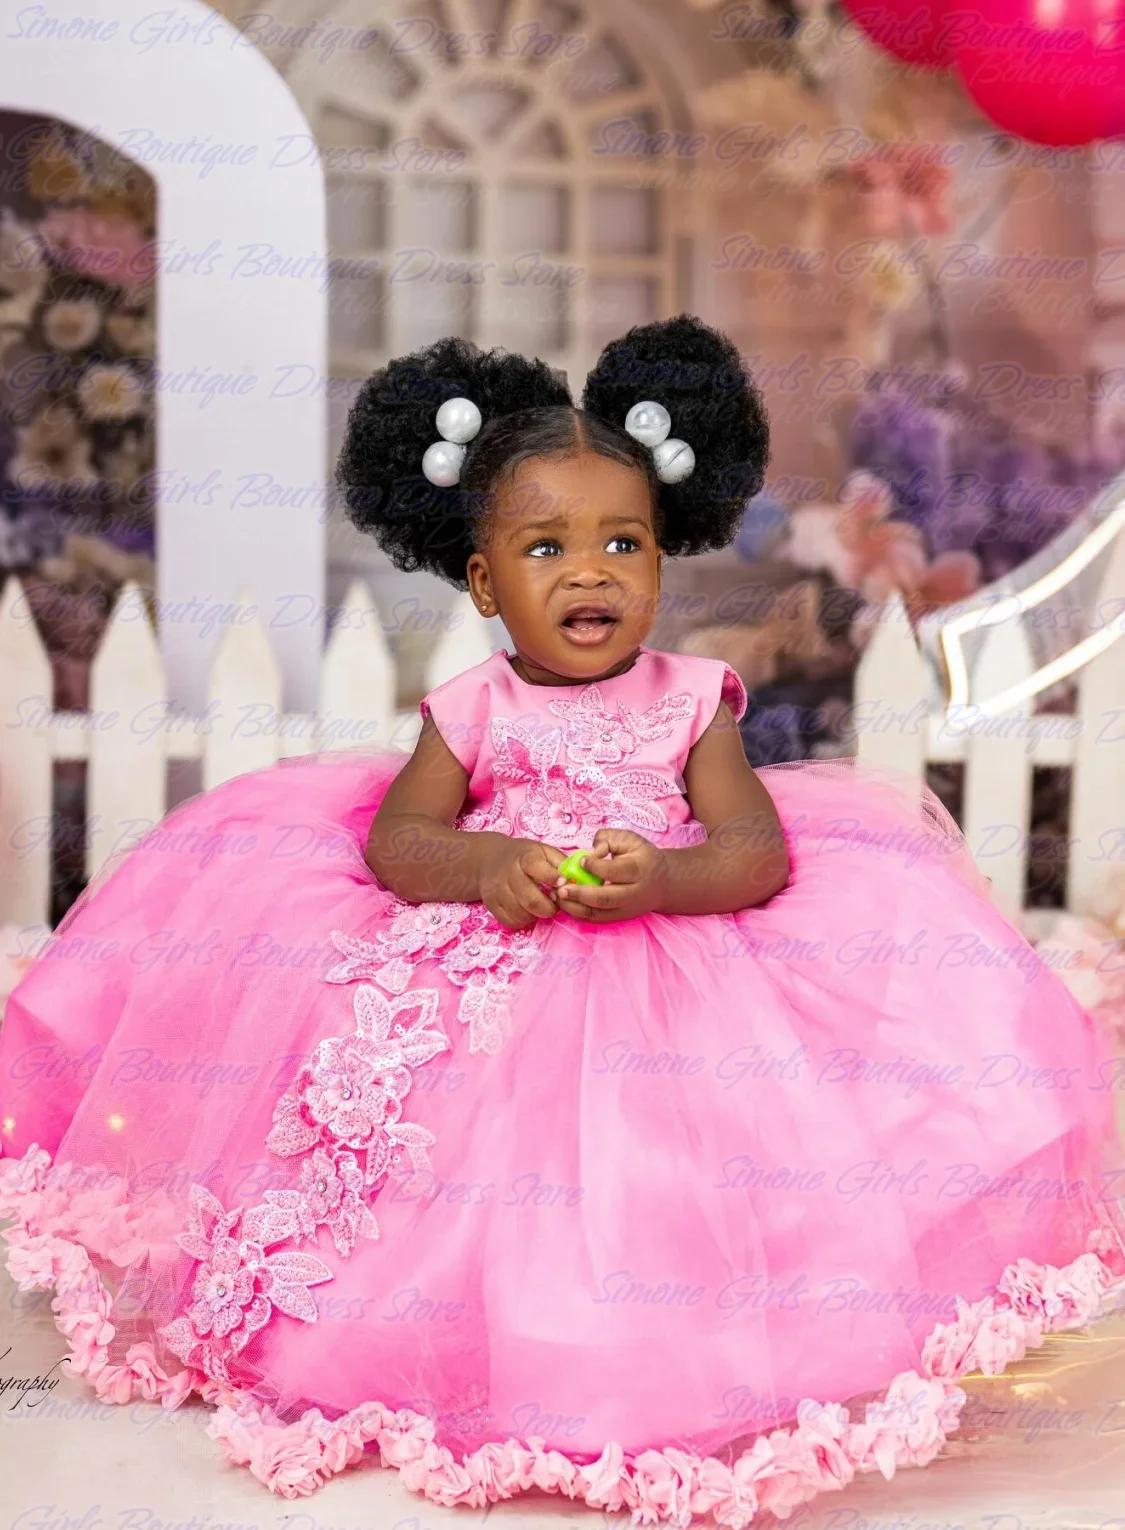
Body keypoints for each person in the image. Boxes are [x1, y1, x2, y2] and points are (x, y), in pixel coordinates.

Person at [1, 315, 1123, 1527]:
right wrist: (486, 864)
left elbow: (753, 853)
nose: (589, 574)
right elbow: (399, 843)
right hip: (500, 958)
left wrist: (661, 882)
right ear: (485, 581)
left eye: (622, 545)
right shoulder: (472, 707)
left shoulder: (695, 703)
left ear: (659, 562)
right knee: (466, 1153)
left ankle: (676, 1349)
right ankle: (459, 1341)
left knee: (680, 1158)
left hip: (677, 964)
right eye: (547, 547)